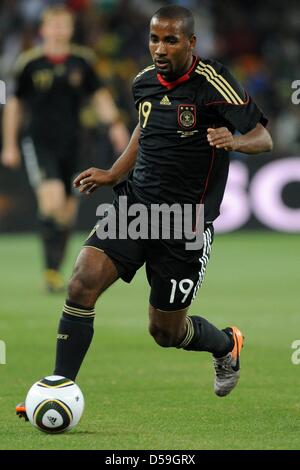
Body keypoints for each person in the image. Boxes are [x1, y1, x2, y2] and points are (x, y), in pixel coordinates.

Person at [16, 5, 273, 419]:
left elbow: (263, 137)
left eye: (170, 40)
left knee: (165, 332)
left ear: (191, 43)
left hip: (185, 222)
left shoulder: (213, 82)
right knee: (81, 282)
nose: (159, 48)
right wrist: (113, 172)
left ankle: (226, 344)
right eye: (154, 38)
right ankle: (59, 387)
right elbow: (144, 126)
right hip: (135, 208)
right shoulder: (143, 83)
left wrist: (234, 140)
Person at [1, 5, 129, 292]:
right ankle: (50, 271)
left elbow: (99, 96)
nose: (59, 31)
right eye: (54, 25)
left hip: (74, 144)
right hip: (40, 142)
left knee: (67, 213)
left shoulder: (82, 61)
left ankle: (55, 269)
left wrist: (115, 126)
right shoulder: (29, 63)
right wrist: (9, 144)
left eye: (64, 25)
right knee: (52, 202)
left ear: (71, 29)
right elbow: (15, 105)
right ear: (43, 30)